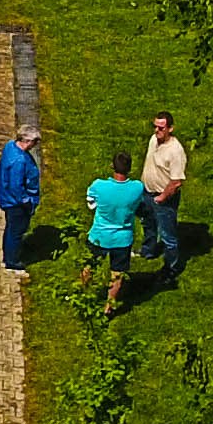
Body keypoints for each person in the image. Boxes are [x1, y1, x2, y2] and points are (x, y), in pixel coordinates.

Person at [84, 152, 148, 312]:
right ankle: (109, 306)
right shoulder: (137, 187)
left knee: (89, 265)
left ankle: (84, 293)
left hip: (99, 236)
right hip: (122, 238)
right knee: (117, 273)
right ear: (130, 168)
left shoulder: (99, 186)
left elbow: (90, 203)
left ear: (112, 166)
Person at [140, 112, 189, 275]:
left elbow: (176, 181)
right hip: (147, 192)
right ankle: (148, 251)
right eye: (155, 126)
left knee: (168, 235)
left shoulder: (175, 151)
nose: (156, 130)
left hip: (163, 199)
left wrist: (161, 198)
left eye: (161, 128)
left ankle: (171, 268)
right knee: (148, 225)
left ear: (170, 128)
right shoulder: (154, 140)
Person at [0, 125, 44, 270]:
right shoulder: (19, 161)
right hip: (16, 203)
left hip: (6, 197)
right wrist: (27, 202)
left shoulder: (10, 146)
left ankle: (8, 254)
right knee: (16, 231)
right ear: (28, 141)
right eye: (35, 142)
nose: (35, 145)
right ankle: (12, 260)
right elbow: (16, 187)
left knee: (11, 228)